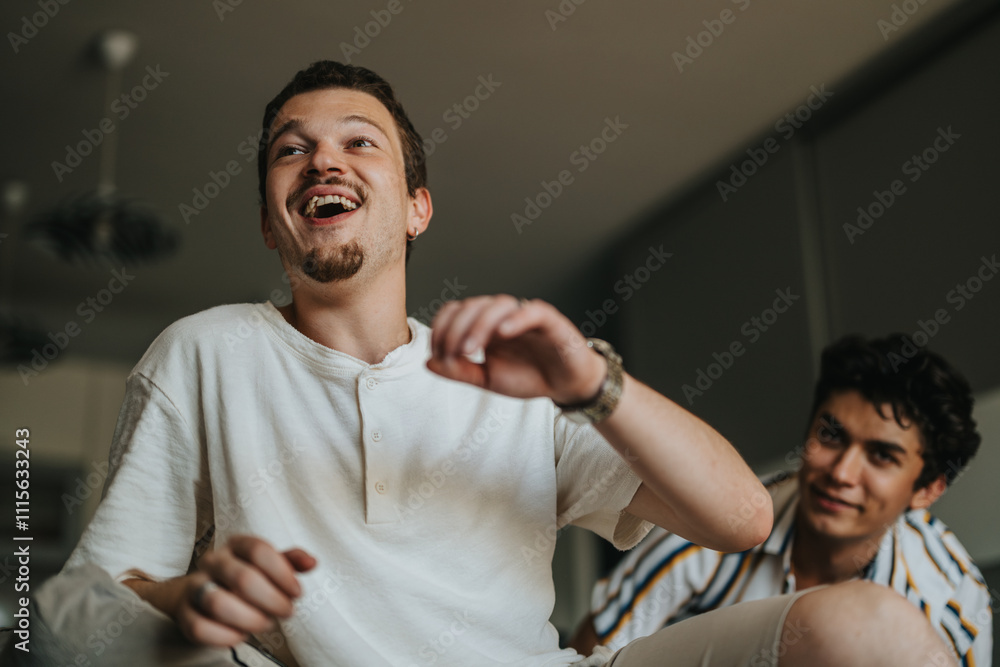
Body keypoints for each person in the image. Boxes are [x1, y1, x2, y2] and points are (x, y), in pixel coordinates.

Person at [9, 62, 956, 667]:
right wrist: (185, 600)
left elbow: (744, 519)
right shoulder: (204, 352)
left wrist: (592, 380)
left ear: (417, 205)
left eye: (357, 143)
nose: (320, 161)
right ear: (269, 217)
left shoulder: (518, 380)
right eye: (289, 152)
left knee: (871, 629)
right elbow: (67, 615)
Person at [571, 334, 992, 666]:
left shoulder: (952, 601)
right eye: (831, 435)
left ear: (929, 489)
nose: (841, 474)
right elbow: (596, 650)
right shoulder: (721, 517)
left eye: (882, 456)